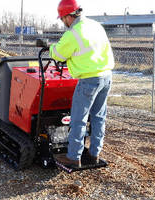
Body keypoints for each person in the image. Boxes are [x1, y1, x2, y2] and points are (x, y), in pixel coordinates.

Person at [49, 0, 114, 168]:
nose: (63, 23)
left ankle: (73, 157)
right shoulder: (95, 25)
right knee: (98, 117)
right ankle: (94, 154)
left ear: (67, 16)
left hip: (89, 80)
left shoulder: (73, 33)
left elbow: (58, 54)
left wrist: (48, 47)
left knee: (78, 118)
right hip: (106, 76)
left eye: (62, 19)